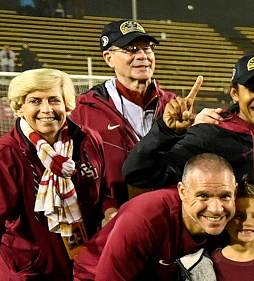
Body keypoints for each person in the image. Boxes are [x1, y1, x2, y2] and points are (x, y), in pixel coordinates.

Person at [124, 54, 254, 261]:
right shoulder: (212, 134)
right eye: (253, 89)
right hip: (229, 260)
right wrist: (164, 131)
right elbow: (137, 174)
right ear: (234, 93)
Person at [0, 68, 116, 281]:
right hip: (29, 278)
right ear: (19, 107)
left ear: (67, 104)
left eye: (54, 100)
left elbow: (102, 191)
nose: (46, 109)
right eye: (35, 101)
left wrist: (111, 211)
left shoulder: (88, 139)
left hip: (84, 270)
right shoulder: (7, 153)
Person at [72, 153, 237, 281]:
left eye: (225, 196)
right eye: (203, 196)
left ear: (235, 192)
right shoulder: (144, 218)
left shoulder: (236, 219)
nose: (216, 209)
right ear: (183, 192)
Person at [72, 20, 183, 203]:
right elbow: (77, 173)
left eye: (147, 48)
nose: (142, 56)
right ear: (109, 58)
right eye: (131, 49)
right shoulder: (84, 110)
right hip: (112, 217)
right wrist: (104, 208)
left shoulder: (174, 104)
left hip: (168, 212)